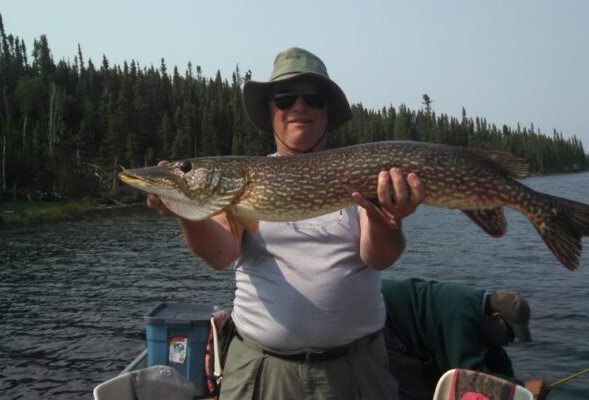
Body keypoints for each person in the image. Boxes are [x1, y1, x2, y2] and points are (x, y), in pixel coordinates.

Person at [147, 47, 424, 399]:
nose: (299, 106)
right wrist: (186, 211)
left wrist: (390, 218)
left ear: (327, 112)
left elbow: (380, 258)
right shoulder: (243, 179)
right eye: (285, 98)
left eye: (313, 98)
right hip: (262, 370)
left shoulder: (361, 173)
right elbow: (220, 254)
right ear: (270, 110)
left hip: (353, 371)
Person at [381, 278, 549, 400]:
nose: (510, 341)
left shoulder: (483, 315)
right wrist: (521, 387)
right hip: (385, 321)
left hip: (406, 328)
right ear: (496, 318)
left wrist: (521, 393)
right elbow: (468, 376)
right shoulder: (461, 317)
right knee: (421, 392)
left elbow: (498, 363)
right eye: (511, 333)